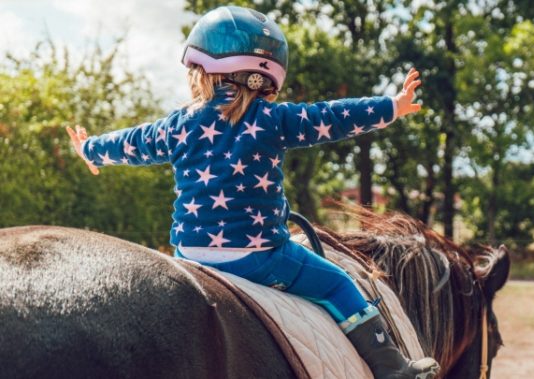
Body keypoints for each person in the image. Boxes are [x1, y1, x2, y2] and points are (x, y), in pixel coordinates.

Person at [66, 6, 438, 378]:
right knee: (338, 284)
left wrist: (90, 150)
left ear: (201, 73)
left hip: (189, 255)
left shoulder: (176, 126)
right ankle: (395, 370)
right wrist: (392, 106)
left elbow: (133, 141)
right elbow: (332, 117)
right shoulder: (274, 120)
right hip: (258, 257)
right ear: (267, 77)